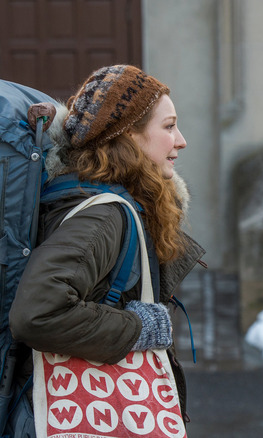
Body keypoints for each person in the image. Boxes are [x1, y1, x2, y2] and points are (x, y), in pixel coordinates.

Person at [8, 65, 205, 422]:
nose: (181, 140)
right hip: (82, 415)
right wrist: (139, 327)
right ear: (128, 135)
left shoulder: (115, 200)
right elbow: (36, 314)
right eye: (169, 126)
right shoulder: (102, 216)